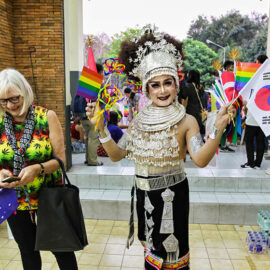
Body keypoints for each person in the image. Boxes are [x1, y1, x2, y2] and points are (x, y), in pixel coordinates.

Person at [87, 26, 232, 269]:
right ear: (146, 88)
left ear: (177, 85)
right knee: (151, 258)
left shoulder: (187, 121)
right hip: (144, 197)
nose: (162, 90)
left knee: (173, 260)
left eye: (168, 83)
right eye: (155, 85)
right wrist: (101, 130)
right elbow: (116, 155)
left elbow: (200, 159)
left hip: (172, 198)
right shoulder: (138, 122)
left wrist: (216, 129)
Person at [0, 69, 78, 270]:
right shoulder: (0, 123)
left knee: (62, 250)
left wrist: (38, 168)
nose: (10, 105)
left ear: (25, 91)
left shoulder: (46, 117)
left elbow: (60, 160)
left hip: (49, 197)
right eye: (3, 101)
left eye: (14, 98)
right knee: (27, 251)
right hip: (14, 201)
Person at [80, 62, 103, 166]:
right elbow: (98, 101)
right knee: (93, 139)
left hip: (82, 115)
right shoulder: (96, 83)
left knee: (88, 138)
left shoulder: (84, 81)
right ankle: (93, 161)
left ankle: (88, 159)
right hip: (91, 115)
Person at [181, 69, 206, 136]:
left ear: (190, 75)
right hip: (199, 112)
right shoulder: (200, 87)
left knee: (190, 132)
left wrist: (182, 112)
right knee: (198, 131)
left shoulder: (187, 86)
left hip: (189, 112)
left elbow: (185, 101)